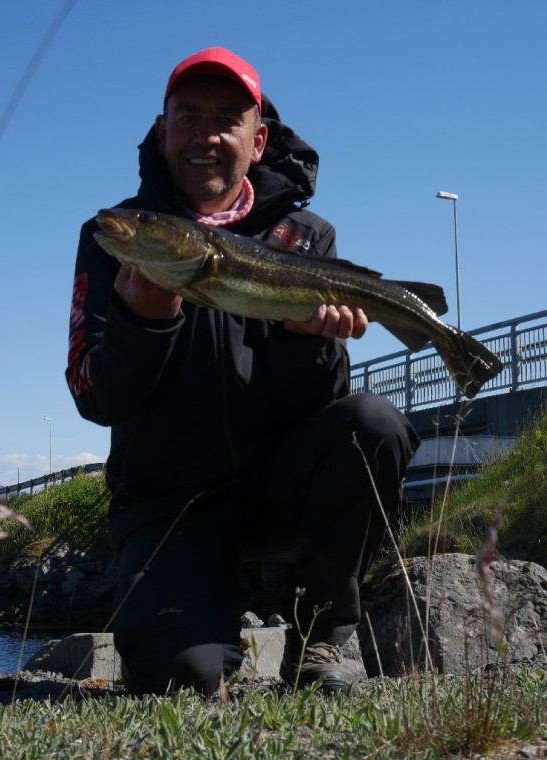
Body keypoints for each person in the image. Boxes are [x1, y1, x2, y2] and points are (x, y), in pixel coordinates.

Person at [66, 47, 419, 696]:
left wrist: (303, 342)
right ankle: (194, 618)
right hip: (169, 504)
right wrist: (145, 322)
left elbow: (326, 404)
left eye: (226, 119)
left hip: (275, 488)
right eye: (189, 116)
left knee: (373, 423)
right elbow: (93, 393)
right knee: (184, 681)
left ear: (257, 141)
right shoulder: (113, 235)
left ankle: (320, 637)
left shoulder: (304, 237)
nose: (205, 135)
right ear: (162, 127)